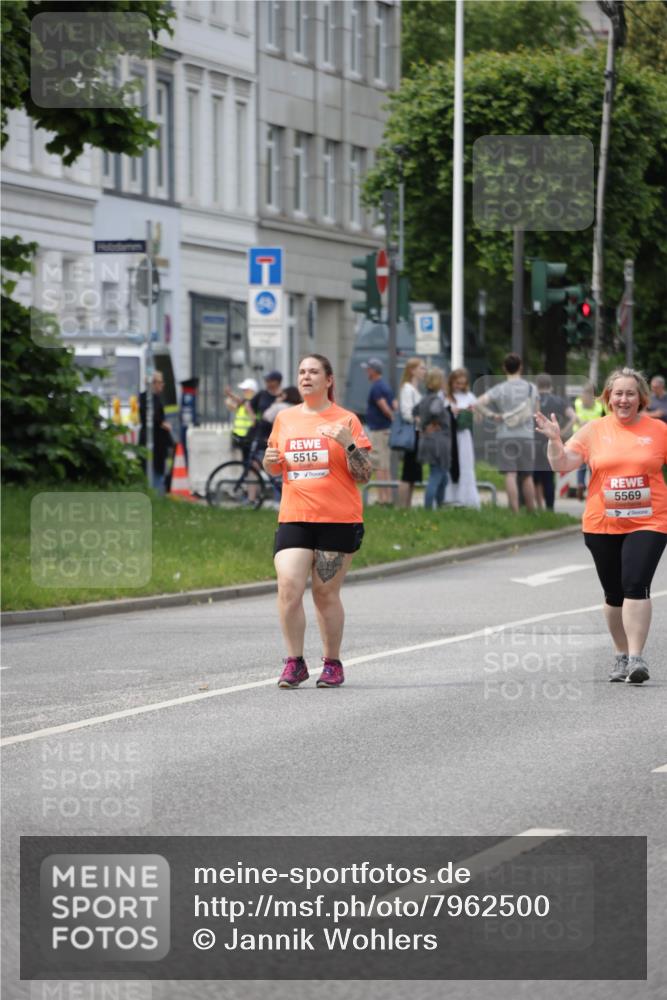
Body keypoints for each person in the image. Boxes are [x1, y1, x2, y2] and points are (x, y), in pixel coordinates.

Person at [536, 367, 667, 684]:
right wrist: (555, 440)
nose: (624, 399)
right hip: (602, 523)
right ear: (609, 398)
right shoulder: (593, 430)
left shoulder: (659, 430)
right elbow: (562, 464)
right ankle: (621, 654)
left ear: (641, 398)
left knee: (636, 583)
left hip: (650, 520)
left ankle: (637, 658)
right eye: (618, 393)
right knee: (614, 594)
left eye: (630, 393)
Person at [264, 354, 372, 689]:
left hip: (337, 520)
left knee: (325, 594)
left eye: (313, 371)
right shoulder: (285, 419)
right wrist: (269, 462)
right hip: (295, 517)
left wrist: (348, 444)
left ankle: (333, 662)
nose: (306, 376)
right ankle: (295, 662)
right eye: (301, 372)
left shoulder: (346, 420)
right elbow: (275, 466)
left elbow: (365, 474)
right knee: (289, 587)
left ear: (328, 380)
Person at [475, 353, 537, 513]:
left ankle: (514, 511)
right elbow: (536, 411)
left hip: (505, 434)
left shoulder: (499, 389)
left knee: (510, 474)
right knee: (527, 476)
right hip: (526, 435)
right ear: (521, 367)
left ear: (504, 368)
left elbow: (478, 403)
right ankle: (532, 511)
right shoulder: (531, 388)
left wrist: (492, 415)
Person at [532, 373, 575, 511]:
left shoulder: (534, 400)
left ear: (537, 385)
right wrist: (561, 432)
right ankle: (550, 509)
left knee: (535, 477)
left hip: (534, 440)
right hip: (551, 443)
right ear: (550, 385)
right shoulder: (559, 400)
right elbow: (574, 417)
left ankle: (538, 509)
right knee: (549, 477)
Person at [416, 368, 452, 510]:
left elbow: (414, 411)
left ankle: (439, 506)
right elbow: (435, 410)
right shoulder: (437, 399)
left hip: (428, 440)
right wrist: (435, 422)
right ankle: (429, 508)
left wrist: (423, 425)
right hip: (438, 442)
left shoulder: (424, 398)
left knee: (442, 477)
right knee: (436, 475)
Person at [445, 367, 480, 509]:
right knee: (451, 464)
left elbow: (478, 418)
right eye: (457, 383)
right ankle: (450, 498)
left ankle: (466, 498)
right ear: (451, 382)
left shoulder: (470, 397)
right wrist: (451, 411)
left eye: (462, 383)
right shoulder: (446, 397)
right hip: (450, 436)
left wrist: (472, 412)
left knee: (465, 464)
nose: (460, 386)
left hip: (464, 436)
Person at [362, 357, 396, 505]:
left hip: (378, 431)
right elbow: (395, 405)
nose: (366, 372)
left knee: (379, 465)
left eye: (368, 369)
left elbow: (385, 407)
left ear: (373, 371)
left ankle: (383, 499)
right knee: (385, 465)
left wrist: (393, 420)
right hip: (385, 431)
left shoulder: (376, 387)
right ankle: (387, 497)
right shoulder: (385, 386)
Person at [139, 370, 174, 495]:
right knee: (153, 471)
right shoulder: (147, 398)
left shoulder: (156, 398)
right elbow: (151, 416)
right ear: (152, 383)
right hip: (154, 442)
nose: (162, 385)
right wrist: (162, 423)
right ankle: (157, 494)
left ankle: (159, 492)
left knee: (159, 470)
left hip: (159, 443)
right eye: (160, 382)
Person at [397, 357, 426, 508]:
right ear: (412, 370)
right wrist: (420, 420)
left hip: (417, 433)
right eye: (421, 368)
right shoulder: (407, 389)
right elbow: (406, 413)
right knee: (408, 473)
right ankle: (402, 506)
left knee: (414, 473)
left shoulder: (415, 389)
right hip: (412, 434)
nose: (424, 371)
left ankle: (407, 505)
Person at [572, 382, 605, 500]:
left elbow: (574, 418)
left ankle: (580, 483)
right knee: (593, 465)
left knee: (581, 463)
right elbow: (603, 420)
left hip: (580, 436)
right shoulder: (598, 405)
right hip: (594, 437)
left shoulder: (578, 403)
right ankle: (593, 488)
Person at [224, 377, 258, 464]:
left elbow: (254, 419)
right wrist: (229, 396)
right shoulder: (244, 403)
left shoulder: (251, 403)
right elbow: (235, 403)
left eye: (246, 390)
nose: (244, 392)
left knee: (250, 461)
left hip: (249, 437)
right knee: (246, 460)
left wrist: (230, 394)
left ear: (252, 391)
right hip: (242, 437)